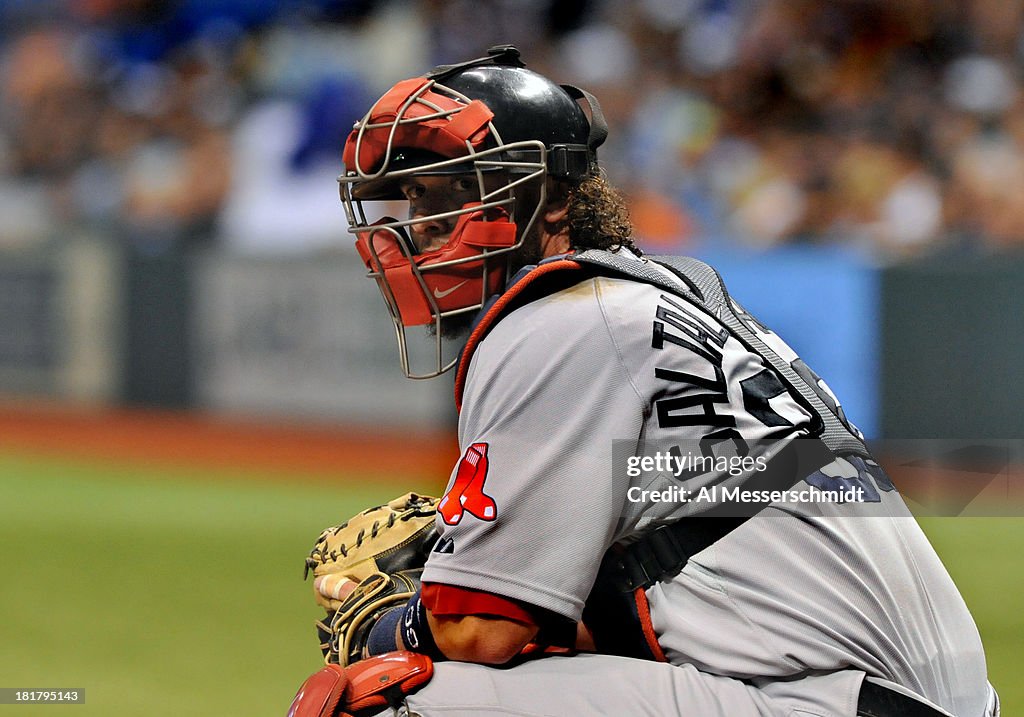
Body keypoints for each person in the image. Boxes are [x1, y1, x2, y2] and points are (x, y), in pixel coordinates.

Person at [305, 46, 998, 717]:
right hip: (871, 692)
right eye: (416, 198)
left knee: (376, 699)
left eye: (457, 188)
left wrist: (388, 623)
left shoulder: (561, 319)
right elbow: (663, 599)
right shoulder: (660, 299)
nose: (422, 226)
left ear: (549, 199)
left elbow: (481, 631)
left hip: (837, 697)